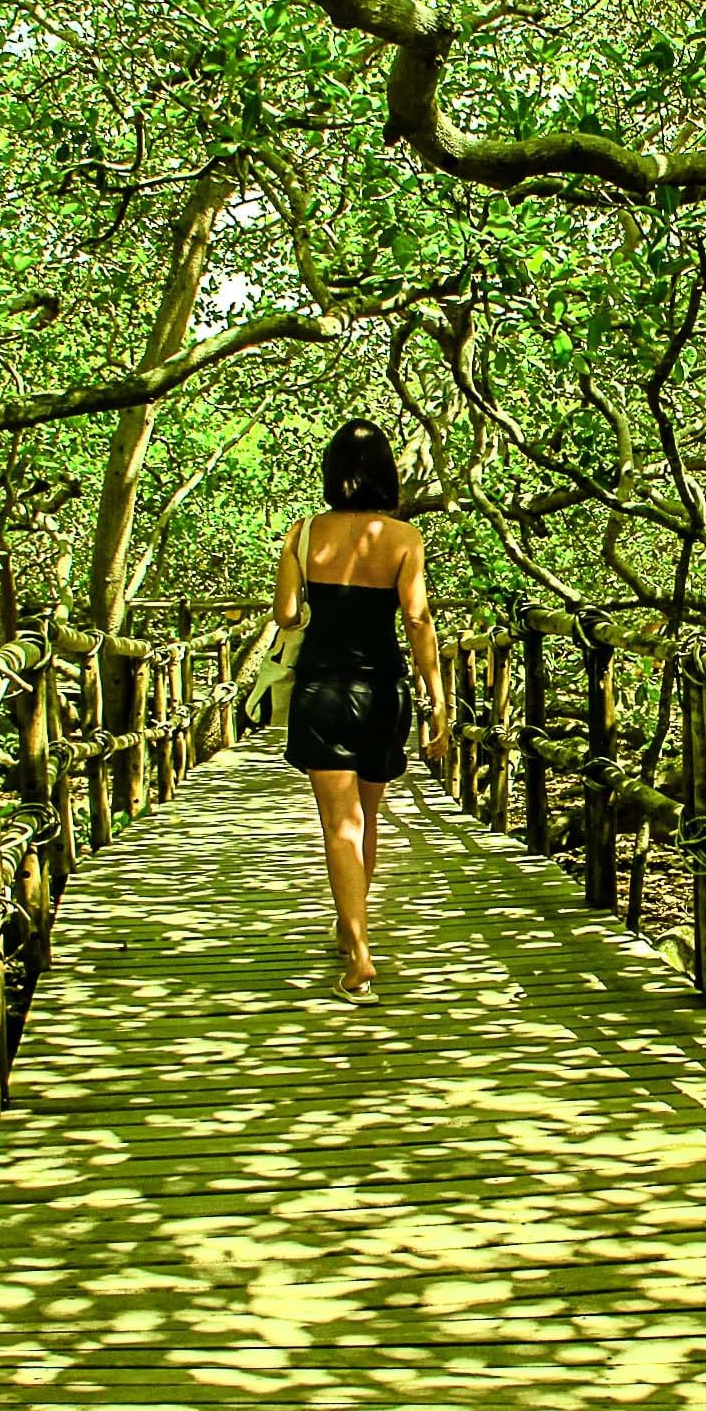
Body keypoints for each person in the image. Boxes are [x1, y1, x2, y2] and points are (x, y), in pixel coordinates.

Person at [271, 419, 448, 1003]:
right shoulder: (404, 538)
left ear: (332, 471)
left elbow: (287, 615)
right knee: (366, 820)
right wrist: (438, 698)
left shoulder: (304, 533)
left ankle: (359, 951)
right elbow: (417, 620)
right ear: (386, 475)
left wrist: (307, 589)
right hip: (383, 692)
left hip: (323, 690)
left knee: (338, 827)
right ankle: (351, 933)